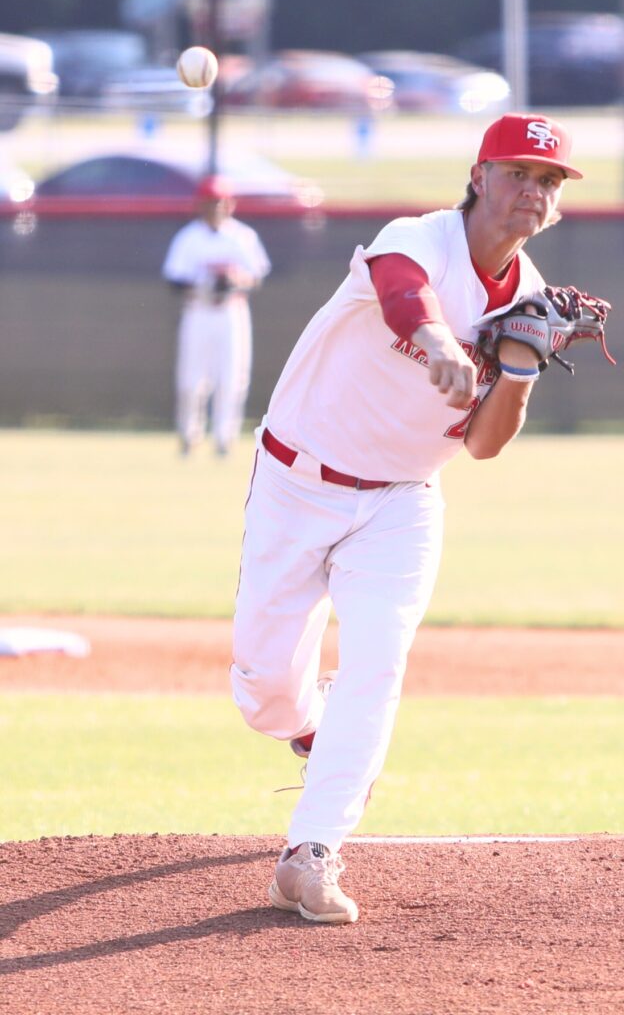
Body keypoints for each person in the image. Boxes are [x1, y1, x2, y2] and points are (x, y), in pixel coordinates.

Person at [230, 112, 583, 923]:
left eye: (548, 181)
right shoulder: (417, 239)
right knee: (264, 693)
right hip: (296, 481)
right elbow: (401, 294)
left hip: (402, 500)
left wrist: (518, 374)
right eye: (518, 173)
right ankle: (309, 726)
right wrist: (438, 344)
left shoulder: (528, 300)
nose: (532, 191)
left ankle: (311, 852)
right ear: (478, 177)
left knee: (378, 662)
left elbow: (484, 445)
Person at [162, 175, 271, 455]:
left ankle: (225, 438)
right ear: (201, 204)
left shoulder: (242, 236)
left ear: (230, 204)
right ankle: (189, 435)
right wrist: (205, 284)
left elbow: (256, 275)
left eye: (220, 201)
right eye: (210, 202)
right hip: (199, 310)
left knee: (232, 377)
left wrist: (234, 280)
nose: (216, 207)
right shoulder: (189, 237)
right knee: (191, 379)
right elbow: (174, 278)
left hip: (231, 312)